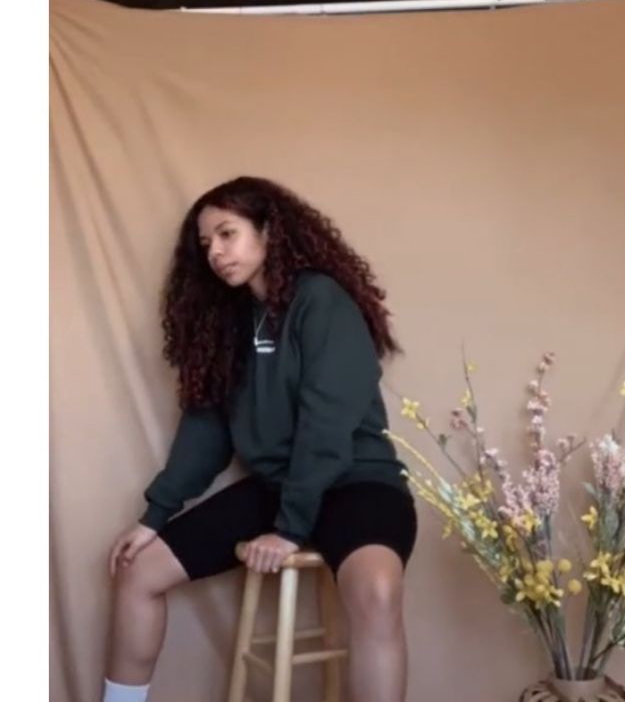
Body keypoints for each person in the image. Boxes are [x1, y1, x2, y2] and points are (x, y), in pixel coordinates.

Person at [102, 176, 418, 702]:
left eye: (227, 234)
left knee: (377, 592)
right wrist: (154, 515)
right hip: (277, 486)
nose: (215, 252)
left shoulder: (322, 301)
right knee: (137, 572)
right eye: (206, 244)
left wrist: (290, 530)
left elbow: (326, 424)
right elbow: (204, 432)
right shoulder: (224, 324)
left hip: (357, 481)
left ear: (269, 230)